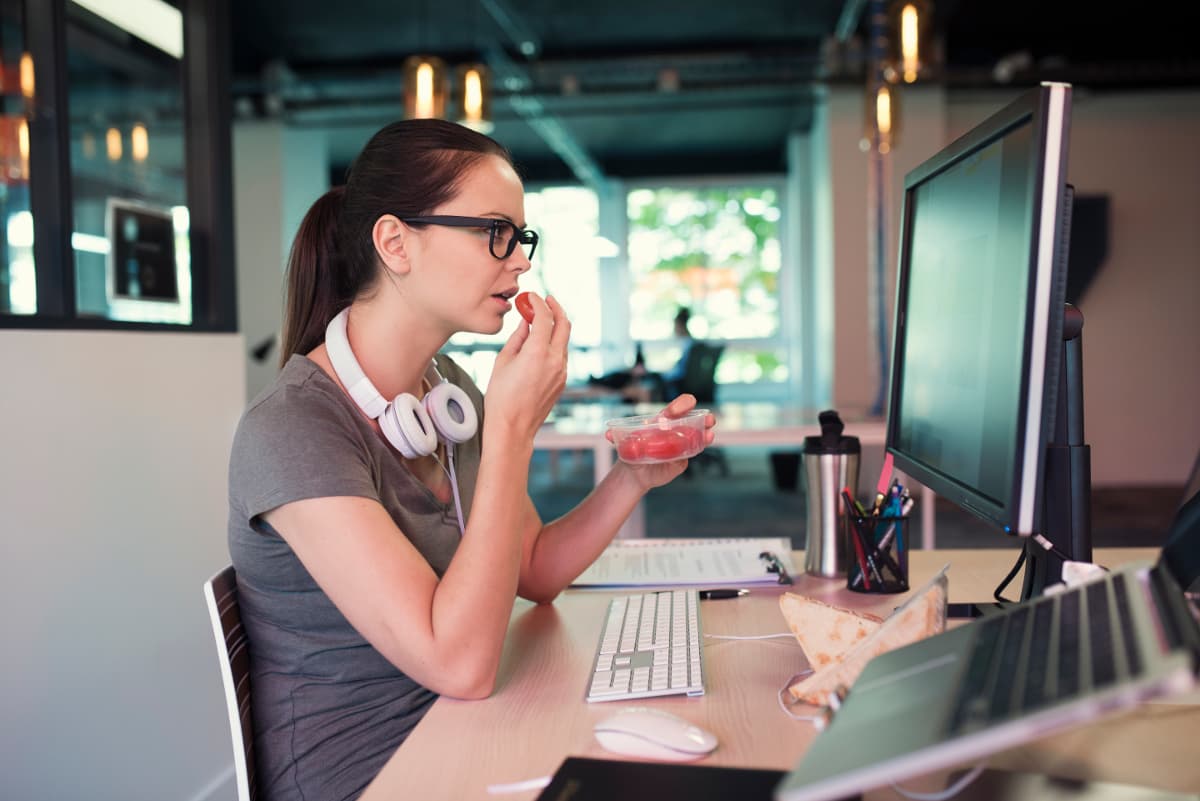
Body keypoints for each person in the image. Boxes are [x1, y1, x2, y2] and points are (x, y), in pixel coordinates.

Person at [226, 118, 715, 801]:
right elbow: (460, 665)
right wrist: (511, 429)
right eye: (496, 233)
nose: (519, 261)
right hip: (373, 772)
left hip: (463, 727)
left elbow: (533, 567)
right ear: (396, 242)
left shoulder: (444, 388)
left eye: (522, 238)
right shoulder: (294, 428)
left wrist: (633, 477)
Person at [660, 306, 696, 399]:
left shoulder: (687, 344)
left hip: (679, 383)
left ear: (680, 325)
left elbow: (681, 371)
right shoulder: (690, 342)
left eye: (675, 325)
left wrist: (664, 374)